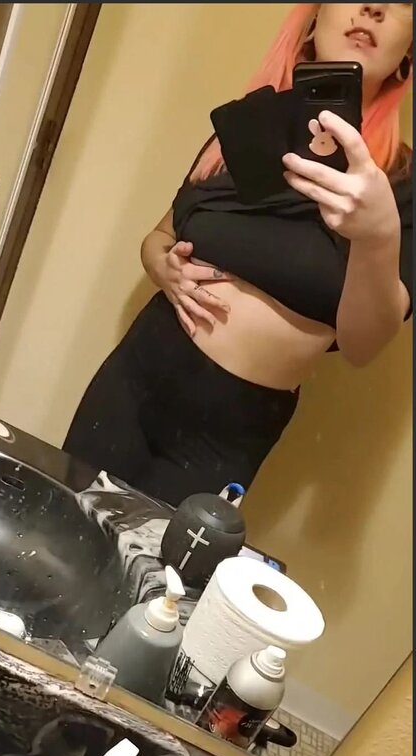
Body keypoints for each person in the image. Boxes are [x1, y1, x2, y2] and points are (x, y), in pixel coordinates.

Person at [63, 3, 413, 507]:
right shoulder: (242, 128)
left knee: (155, 557)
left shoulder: (401, 185)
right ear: (313, 19)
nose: (372, 7)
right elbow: (159, 237)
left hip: (232, 426)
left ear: (408, 54)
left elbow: (363, 347)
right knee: (59, 522)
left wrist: (377, 235)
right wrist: (162, 267)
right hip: (137, 375)